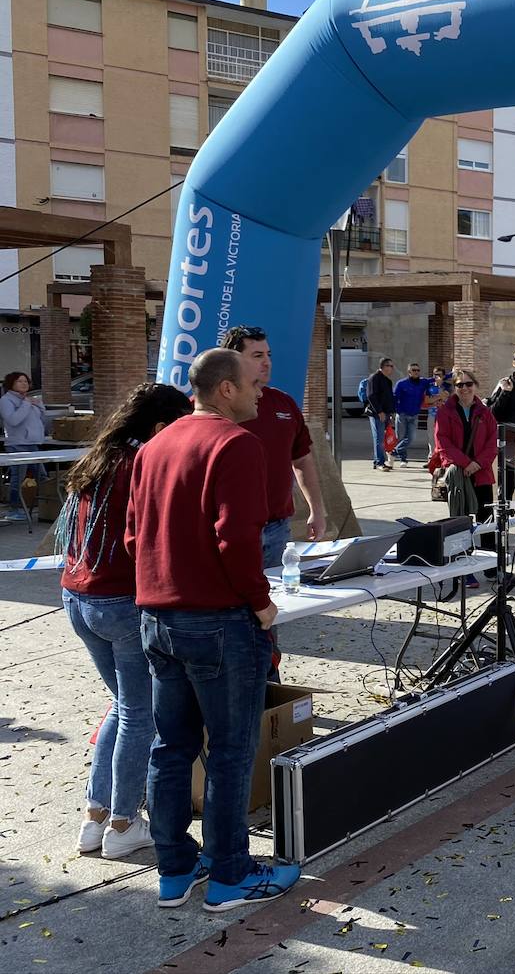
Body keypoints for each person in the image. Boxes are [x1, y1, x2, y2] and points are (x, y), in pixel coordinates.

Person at [126, 349, 298, 912]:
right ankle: (229, 876)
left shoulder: (154, 446)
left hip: (157, 616)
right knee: (228, 752)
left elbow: (135, 537)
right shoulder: (235, 444)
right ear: (224, 389)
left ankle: (174, 869)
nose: (260, 391)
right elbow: (237, 538)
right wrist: (260, 602)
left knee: (171, 747)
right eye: (252, 382)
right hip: (219, 621)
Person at [59, 383, 193, 860]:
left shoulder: (101, 457)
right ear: (159, 428)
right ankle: (122, 823)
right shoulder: (141, 464)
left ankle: (96, 817)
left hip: (78, 596)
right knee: (141, 714)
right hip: (118, 602)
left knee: (123, 705)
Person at [221, 327, 326, 569]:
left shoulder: (284, 403)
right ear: (232, 361)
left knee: (279, 602)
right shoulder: (208, 408)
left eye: (268, 355)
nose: (267, 363)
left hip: (278, 529)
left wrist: (317, 510)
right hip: (232, 531)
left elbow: (301, 460)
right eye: (257, 356)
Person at [433, 370, 498, 580]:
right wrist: (465, 463)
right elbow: (442, 443)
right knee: (460, 524)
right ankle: (463, 570)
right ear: (455, 388)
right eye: (460, 385)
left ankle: (491, 567)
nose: (464, 389)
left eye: (468, 384)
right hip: (459, 474)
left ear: (475, 385)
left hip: (481, 474)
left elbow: (492, 442)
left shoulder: (485, 412)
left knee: (486, 522)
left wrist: (477, 464)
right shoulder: (445, 411)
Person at [2, 370, 51, 520]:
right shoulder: (6, 400)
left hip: (33, 444)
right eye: (19, 381)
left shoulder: (28, 400)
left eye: (25, 381)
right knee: (18, 478)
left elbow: (41, 420)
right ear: (11, 384)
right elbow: (13, 420)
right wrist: (25, 405)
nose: (24, 384)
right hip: (17, 444)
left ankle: (40, 507)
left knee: (41, 476)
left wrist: (40, 406)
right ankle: (15, 509)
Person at [390, 361, 427, 467]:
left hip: (414, 415)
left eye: (418, 370)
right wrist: (396, 411)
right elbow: (394, 398)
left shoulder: (423, 382)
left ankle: (393, 452)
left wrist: (451, 373)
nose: (416, 372)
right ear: (409, 372)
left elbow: (435, 379)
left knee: (410, 438)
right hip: (402, 414)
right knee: (401, 437)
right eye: (414, 370)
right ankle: (403, 459)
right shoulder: (401, 383)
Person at [365, 356, 397, 470]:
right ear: (383, 366)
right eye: (390, 366)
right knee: (378, 437)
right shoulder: (374, 378)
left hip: (387, 413)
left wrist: (392, 413)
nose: (392, 368)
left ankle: (377, 460)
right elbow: (371, 396)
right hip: (377, 413)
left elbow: (389, 398)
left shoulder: (388, 380)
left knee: (383, 437)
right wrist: (379, 411)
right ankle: (379, 462)